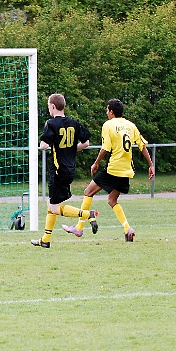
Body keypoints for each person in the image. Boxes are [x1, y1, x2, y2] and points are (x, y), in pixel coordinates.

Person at [63, 99, 154, 242]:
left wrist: (96, 163)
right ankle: (127, 229)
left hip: (113, 168)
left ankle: (79, 228)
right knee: (112, 200)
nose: (106, 113)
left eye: (107, 110)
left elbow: (105, 148)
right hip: (126, 169)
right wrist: (151, 165)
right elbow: (142, 146)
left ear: (111, 112)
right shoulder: (131, 125)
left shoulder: (108, 125)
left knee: (88, 192)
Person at [30, 93, 95, 249]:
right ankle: (45, 240)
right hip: (70, 169)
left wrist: (42, 145)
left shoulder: (51, 123)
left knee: (53, 207)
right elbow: (86, 143)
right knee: (52, 204)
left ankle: (87, 214)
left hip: (58, 171)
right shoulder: (73, 123)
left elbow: (44, 145)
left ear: (53, 106)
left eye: (48, 106)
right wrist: (71, 150)